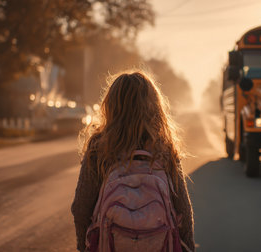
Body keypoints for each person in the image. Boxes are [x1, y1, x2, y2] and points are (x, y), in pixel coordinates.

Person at [71, 70, 195, 252]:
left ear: (111, 106)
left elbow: (81, 208)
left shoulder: (99, 148)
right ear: (154, 106)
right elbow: (183, 209)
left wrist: (84, 246)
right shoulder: (163, 148)